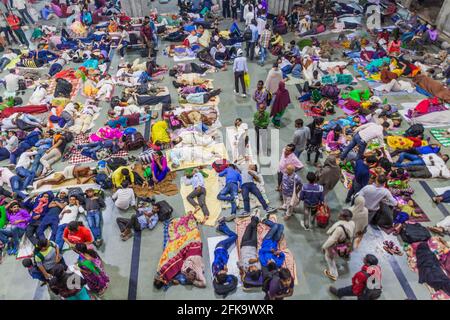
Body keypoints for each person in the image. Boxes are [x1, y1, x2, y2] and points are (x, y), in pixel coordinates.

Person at [322, 209, 355, 281]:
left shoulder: (339, 228)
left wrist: (324, 247)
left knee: (329, 257)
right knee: (337, 254)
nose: (338, 215)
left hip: (336, 246)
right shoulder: (352, 223)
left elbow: (331, 240)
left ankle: (333, 274)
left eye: (340, 214)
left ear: (343, 217)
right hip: (345, 245)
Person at [212, 218, 238, 282]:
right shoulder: (217, 274)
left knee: (235, 236)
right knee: (232, 237)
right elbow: (230, 279)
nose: (225, 271)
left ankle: (222, 224)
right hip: (223, 249)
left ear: (219, 273)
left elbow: (219, 257)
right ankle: (220, 227)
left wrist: (225, 264)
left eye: (224, 272)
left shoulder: (216, 265)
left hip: (221, 247)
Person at [237, 215, 262, 282]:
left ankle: (255, 217)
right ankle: (255, 218)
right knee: (254, 228)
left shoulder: (244, 267)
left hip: (244, 244)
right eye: (255, 269)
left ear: (250, 272)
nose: (254, 268)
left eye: (252, 270)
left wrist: (241, 271)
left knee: (249, 227)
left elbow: (238, 263)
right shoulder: (259, 267)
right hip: (253, 245)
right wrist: (256, 260)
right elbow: (253, 260)